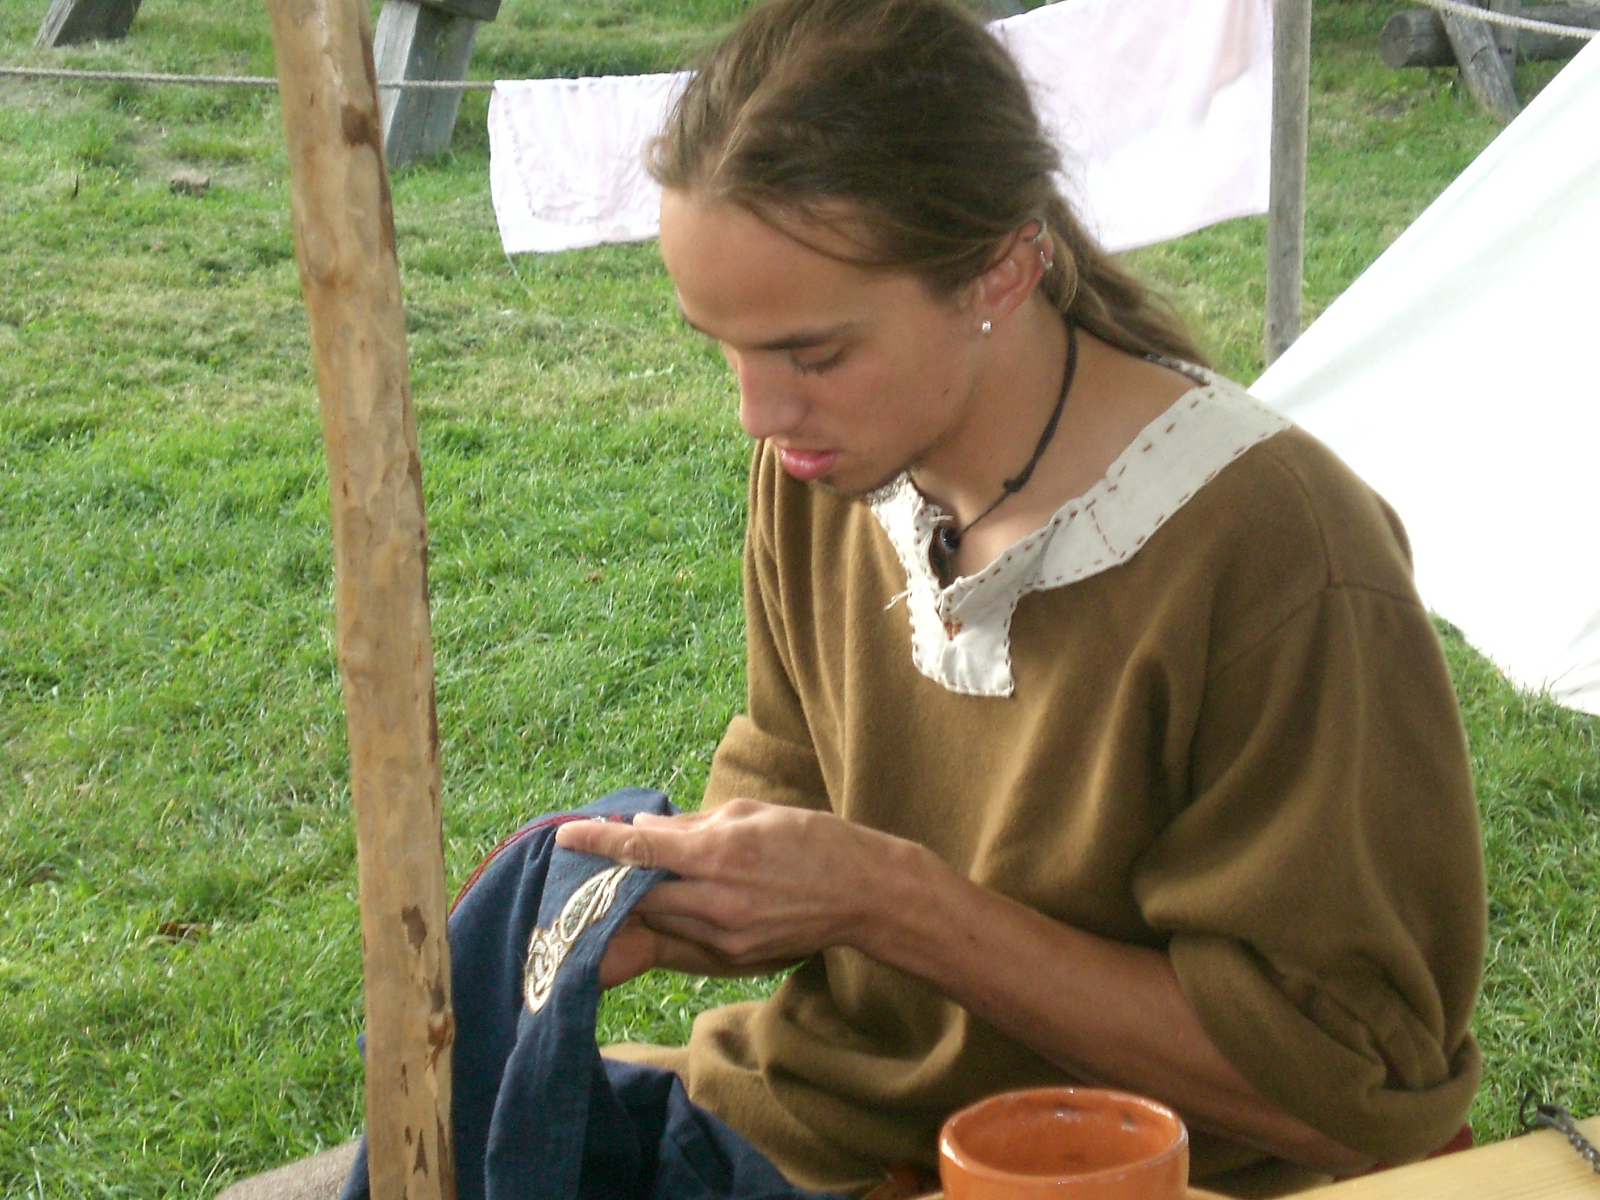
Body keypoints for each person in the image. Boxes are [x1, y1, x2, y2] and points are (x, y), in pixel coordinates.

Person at [549, 0, 1487, 1197]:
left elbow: (1343, 1091)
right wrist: (650, 900)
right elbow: (788, 780)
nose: (757, 413)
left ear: (1001, 265)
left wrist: (893, 903)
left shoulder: (1277, 554)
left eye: (814, 354)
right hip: (810, 1133)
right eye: (720, 346)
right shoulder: (824, 473)